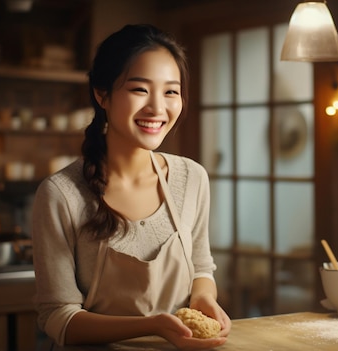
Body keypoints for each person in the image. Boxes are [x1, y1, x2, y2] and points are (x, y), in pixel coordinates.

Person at [31, 24, 231, 350]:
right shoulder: (61, 194)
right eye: (140, 90)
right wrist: (153, 326)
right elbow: (59, 318)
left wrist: (205, 297)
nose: (157, 108)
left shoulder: (192, 178)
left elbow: (200, 267)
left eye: (171, 91)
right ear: (102, 94)